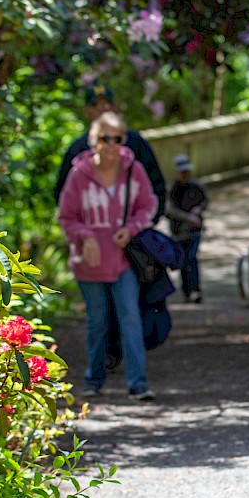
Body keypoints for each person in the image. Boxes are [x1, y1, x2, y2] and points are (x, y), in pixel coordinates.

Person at [57, 112, 159, 401]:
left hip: (123, 258)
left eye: (117, 138)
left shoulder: (132, 170)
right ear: (93, 141)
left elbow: (148, 205)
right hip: (89, 261)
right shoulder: (79, 175)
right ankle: (94, 380)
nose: (111, 145)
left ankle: (138, 384)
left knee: (130, 318)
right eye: (105, 138)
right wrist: (84, 236)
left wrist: (131, 229)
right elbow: (66, 216)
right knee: (97, 321)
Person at [55, 84, 167, 223]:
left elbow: (156, 185)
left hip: (134, 233)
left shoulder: (135, 143)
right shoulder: (78, 149)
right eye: (97, 105)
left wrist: (144, 225)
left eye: (108, 104)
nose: (104, 110)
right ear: (87, 111)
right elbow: (64, 195)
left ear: (115, 107)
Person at [165, 154, 208, 304]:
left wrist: (198, 210)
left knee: (192, 259)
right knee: (183, 261)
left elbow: (204, 201)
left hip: (194, 231)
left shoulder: (196, 186)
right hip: (178, 232)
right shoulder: (172, 190)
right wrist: (188, 217)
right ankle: (186, 291)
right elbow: (170, 211)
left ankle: (195, 290)